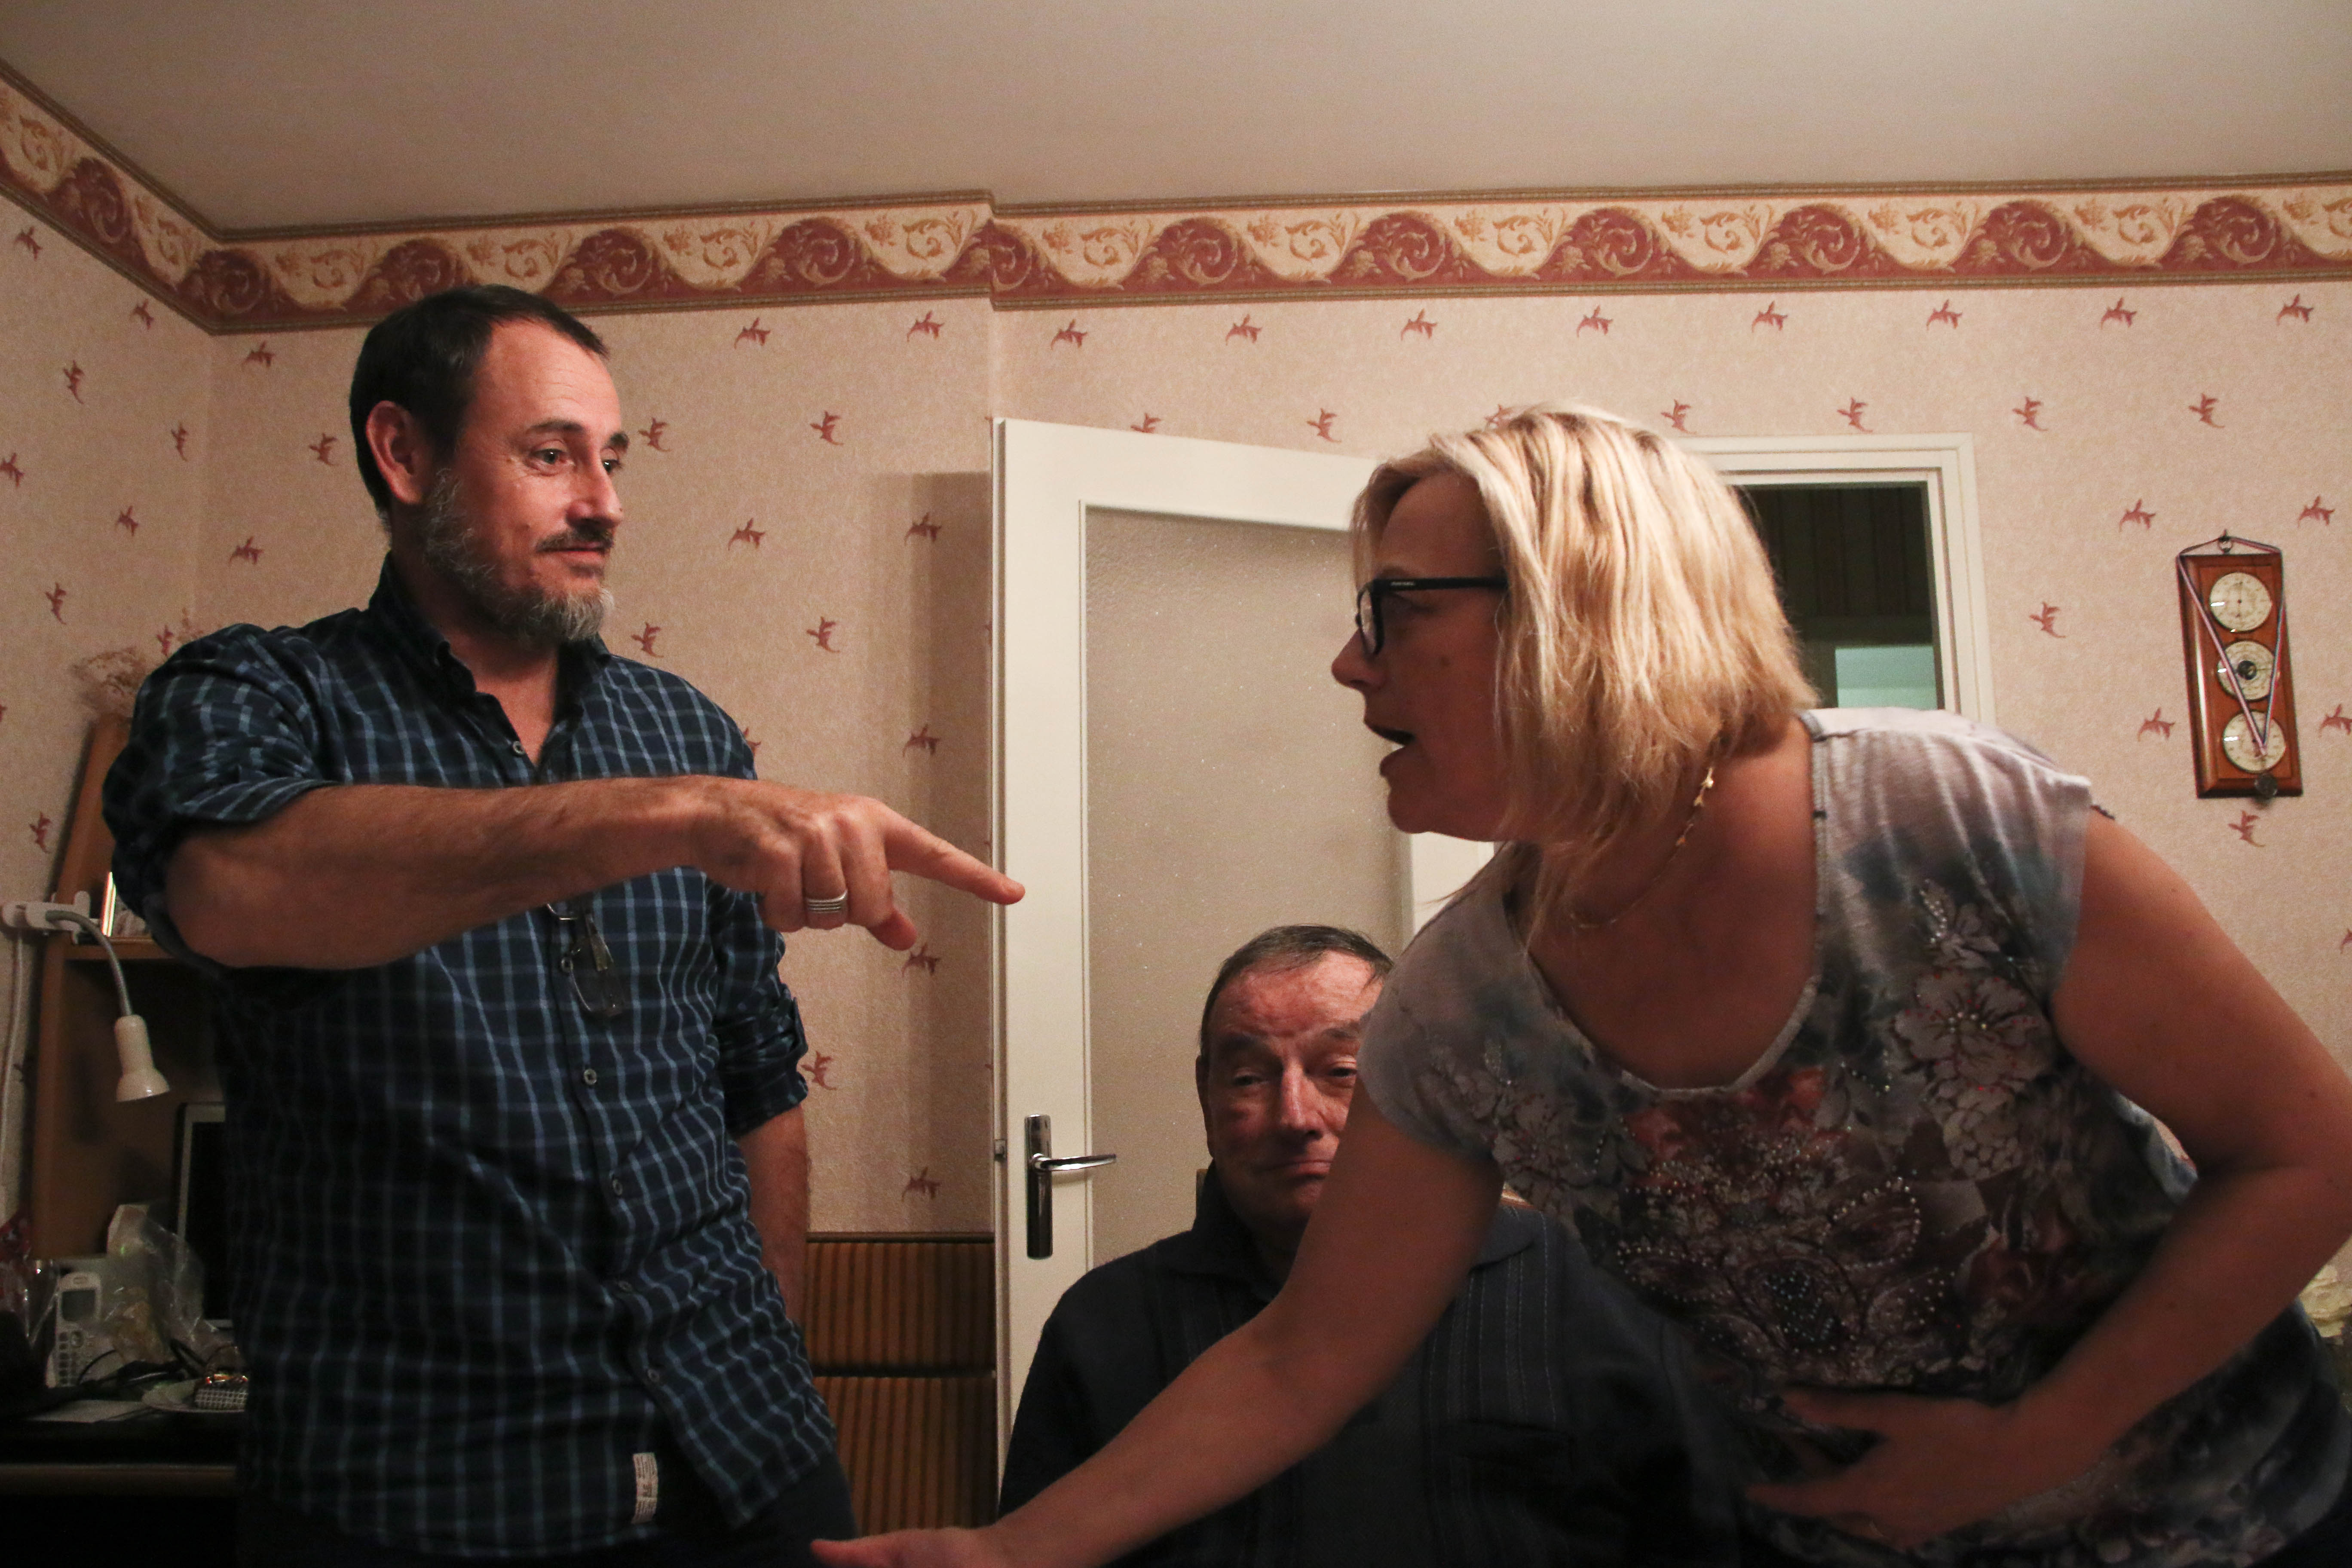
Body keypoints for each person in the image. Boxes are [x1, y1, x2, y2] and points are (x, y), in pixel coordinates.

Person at [815, 404, 2352, 1568]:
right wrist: (1012, 1551)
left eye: (1391, 609)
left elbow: (2307, 1150)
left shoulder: (1950, 820)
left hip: (2238, 1514)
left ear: (1575, 606)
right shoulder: (1464, 1004)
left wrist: (2033, 1439)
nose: (1349, 666)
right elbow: (1301, 1356)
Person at [102, 285, 1021, 1566]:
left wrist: (776, 1357)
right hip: (415, 1495)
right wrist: (667, 817)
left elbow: (756, 1078)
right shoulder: (260, 691)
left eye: (613, 458)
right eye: (551, 455)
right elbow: (231, 889)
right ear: (403, 453)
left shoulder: (684, 728)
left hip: (746, 1461)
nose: (605, 502)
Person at [1000, 924, 1739, 1568]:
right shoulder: (1106, 1322)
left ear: (1425, 1086)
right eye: (1250, 1077)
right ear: (1206, 1097)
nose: (1296, 1115)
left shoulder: (1592, 1289)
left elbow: (1708, 1537)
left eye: (1342, 1073)